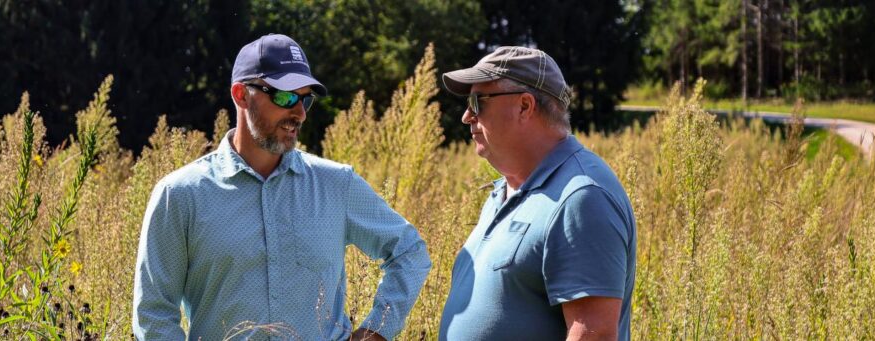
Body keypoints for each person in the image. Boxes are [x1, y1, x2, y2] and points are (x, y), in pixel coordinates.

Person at [132, 34, 431, 341]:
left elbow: (409, 251)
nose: (299, 113)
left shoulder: (337, 185)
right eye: (286, 96)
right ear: (241, 95)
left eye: (306, 99)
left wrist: (377, 332)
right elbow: (154, 313)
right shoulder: (180, 195)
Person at [438, 46, 637, 341]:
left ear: (524, 106)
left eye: (478, 102)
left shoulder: (581, 197)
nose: (467, 116)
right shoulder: (507, 190)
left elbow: (593, 334)